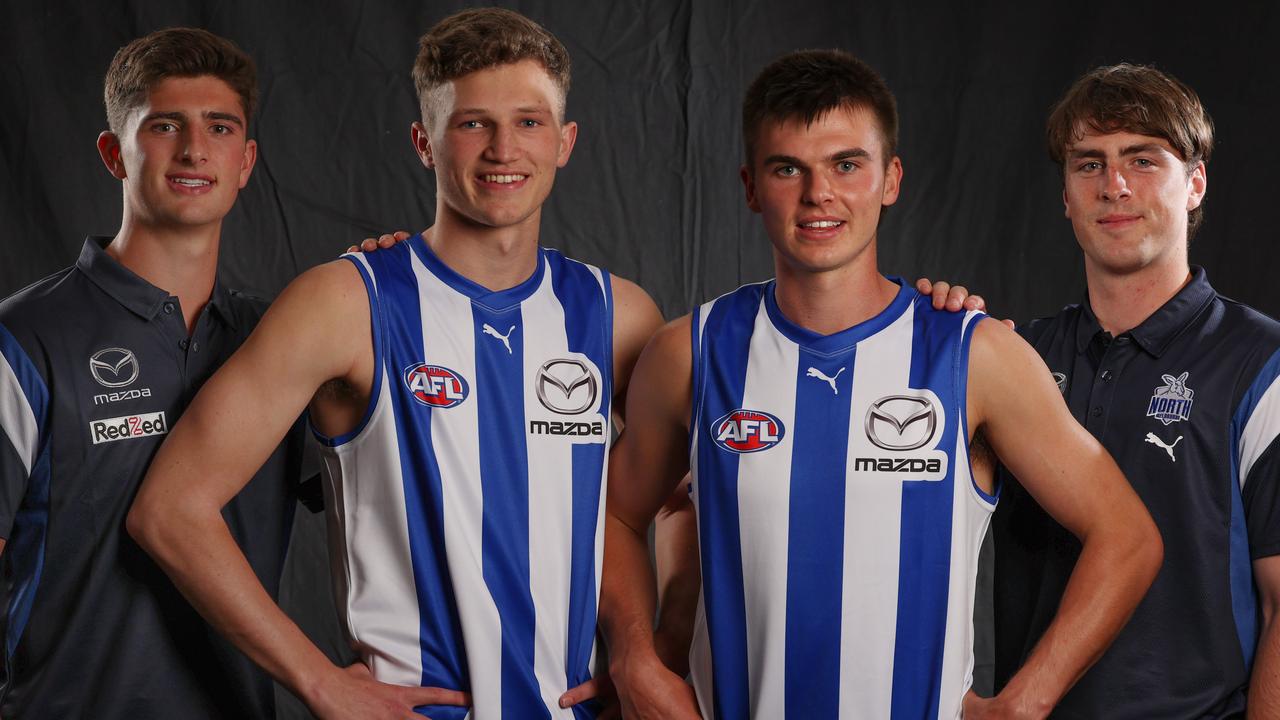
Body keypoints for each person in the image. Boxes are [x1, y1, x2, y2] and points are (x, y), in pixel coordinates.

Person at [128, 8, 664, 719]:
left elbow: (663, 504)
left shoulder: (619, 316)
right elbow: (169, 510)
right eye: (473, 123)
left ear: (564, 142)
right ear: (424, 142)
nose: (504, 149)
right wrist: (318, 680)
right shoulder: (347, 302)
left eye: (529, 122)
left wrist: (638, 652)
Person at [598, 49, 1163, 720]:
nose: (819, 195)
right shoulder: (688, 352)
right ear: (751, 187)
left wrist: (1024, 702)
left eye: (846, 165)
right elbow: (616, 513)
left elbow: (1127, 537)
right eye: (788, 169)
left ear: (890, 179)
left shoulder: (972, 352)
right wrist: (635, 655)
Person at [0, 28, 314, 718]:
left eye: (220, 128)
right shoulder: (22, 339)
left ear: (246, 160)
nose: (195, 150)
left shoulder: (285, 340)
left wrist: (400, 284)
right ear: (115, 153)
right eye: (165, 125)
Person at [983, 63, 1280, 718]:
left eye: (1142, 160)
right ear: (1065, 194)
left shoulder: (1262, 364)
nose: (1113, 186)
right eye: (1089, 164)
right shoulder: (1013, 357)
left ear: (1195, 183)